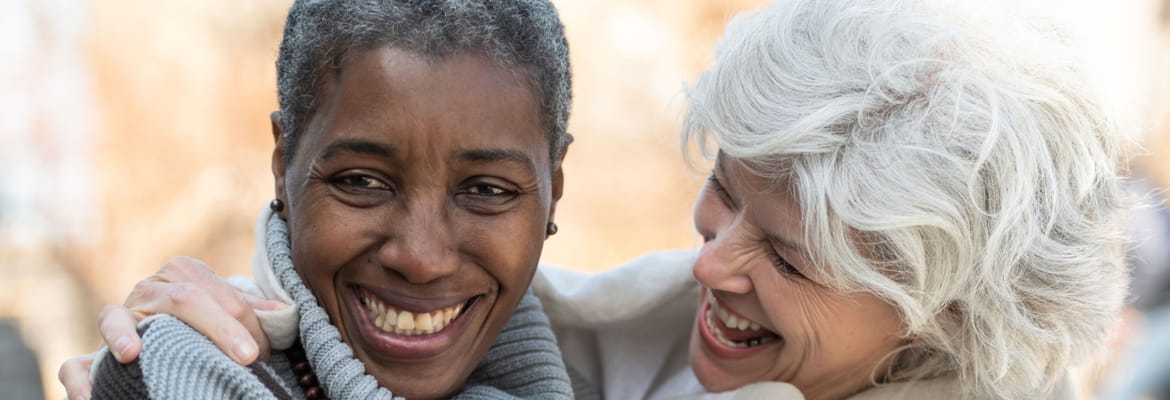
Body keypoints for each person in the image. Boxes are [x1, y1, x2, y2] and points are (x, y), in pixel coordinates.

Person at [63, 0, 1130, 399]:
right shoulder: (615, 335)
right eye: (723, 193)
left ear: (944, 311)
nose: (713, 261)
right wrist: (180, 344)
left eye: (794, 258)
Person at [67, 0, 579, 399]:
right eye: (361, 181)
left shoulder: (625, 363)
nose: (421, 259)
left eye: (487, 190)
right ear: (281, 166)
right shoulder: (183, 376)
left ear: (553, 194)